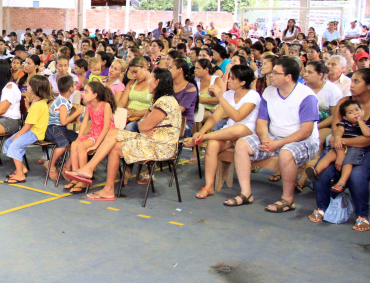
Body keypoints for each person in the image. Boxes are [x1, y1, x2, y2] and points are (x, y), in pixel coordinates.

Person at [64, 68, 182, 201]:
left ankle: (99, 180)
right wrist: (144, 125)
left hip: (160, 146)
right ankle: (92, 173)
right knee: (114, 132)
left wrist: (145, 125)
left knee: (116, 147)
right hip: (148, 139)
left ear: (157, 82)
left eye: (151, 79)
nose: (148, 82)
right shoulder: (157, 100)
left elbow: (143, 125)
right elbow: (142, 124)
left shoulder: (166, 101)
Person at [225, 57, 319, 212]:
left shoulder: (306, 95)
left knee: (286, 153)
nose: (270, 75)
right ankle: (246, 193)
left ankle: (288, 199)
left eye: (276, 72)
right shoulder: (269, 92)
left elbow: (306, 131)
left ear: (288, 77)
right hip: (274, 137)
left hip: (304, 140)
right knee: (242, 144)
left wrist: (278, 143)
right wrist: (265, 139)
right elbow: (261, 121)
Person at [183, 65, 261, 199]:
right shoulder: (229, 94)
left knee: (239, 129)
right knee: (213, 144)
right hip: (228, 133)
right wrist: (201, 131)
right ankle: (208, 186)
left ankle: (204, 138)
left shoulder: (253, 96)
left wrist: (220, 97)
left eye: (233, 79)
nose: (229, 81)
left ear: (243, 83)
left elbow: (237, 116)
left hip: (247, 133)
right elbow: (215, 117)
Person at [310, 69, 370, 231]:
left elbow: (366, 140)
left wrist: (341, 141)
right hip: (339, 147)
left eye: (357, 82)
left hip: (364, 149)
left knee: (357, 177)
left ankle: (362, 216)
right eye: (352, 81)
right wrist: (339, 149)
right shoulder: (344, 102)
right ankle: (322, 207)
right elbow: (337, 128)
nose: (351, 85)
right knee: (322, 172)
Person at [63, 81, 116, 194]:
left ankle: (84, 178)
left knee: (82, 146)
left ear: (95, 95)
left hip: (104, 136)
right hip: (93, 134)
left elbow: (106, 127)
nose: (83, 94)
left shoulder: (105, 105)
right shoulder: (89, 106)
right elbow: (84, 123)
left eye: (86, 92)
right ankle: (76, 176)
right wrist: (79, 137)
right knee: (75, 144)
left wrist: (97, 145)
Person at [307, 99, 370, 194]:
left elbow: (367, 134)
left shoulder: (365, 124)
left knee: (347, 162)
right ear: (345, 117)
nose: (355, 113)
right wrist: (337, 137)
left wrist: (360, 121)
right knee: (329, 156)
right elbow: (339, 131)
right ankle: (315, 171)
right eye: (351, 112)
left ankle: (341, 182)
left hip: (354, 148)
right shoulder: (344, 123)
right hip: (340, 146)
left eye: (357, 110)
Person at [1, 75, 52, 184]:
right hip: (31, 130)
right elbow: (33, 117)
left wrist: (17, 136)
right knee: (8, 142)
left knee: (14, 144)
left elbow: (28, 125)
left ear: (34, 88)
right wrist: (28, 106)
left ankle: (20, 175)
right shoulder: (38, 103)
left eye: (29, 85)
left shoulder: (38, 105)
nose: (27, 86)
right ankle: (22, 168)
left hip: (34, 132)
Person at [44, 75, 84, 181]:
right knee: (63, 144)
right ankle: (50, 165)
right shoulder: (62, 102)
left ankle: (67, 166)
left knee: (78, 142)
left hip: (60, 128)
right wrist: (78, 113)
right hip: (52, 128)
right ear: (71, 88)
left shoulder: (65, 101)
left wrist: (76, 116)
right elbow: (63, 122)